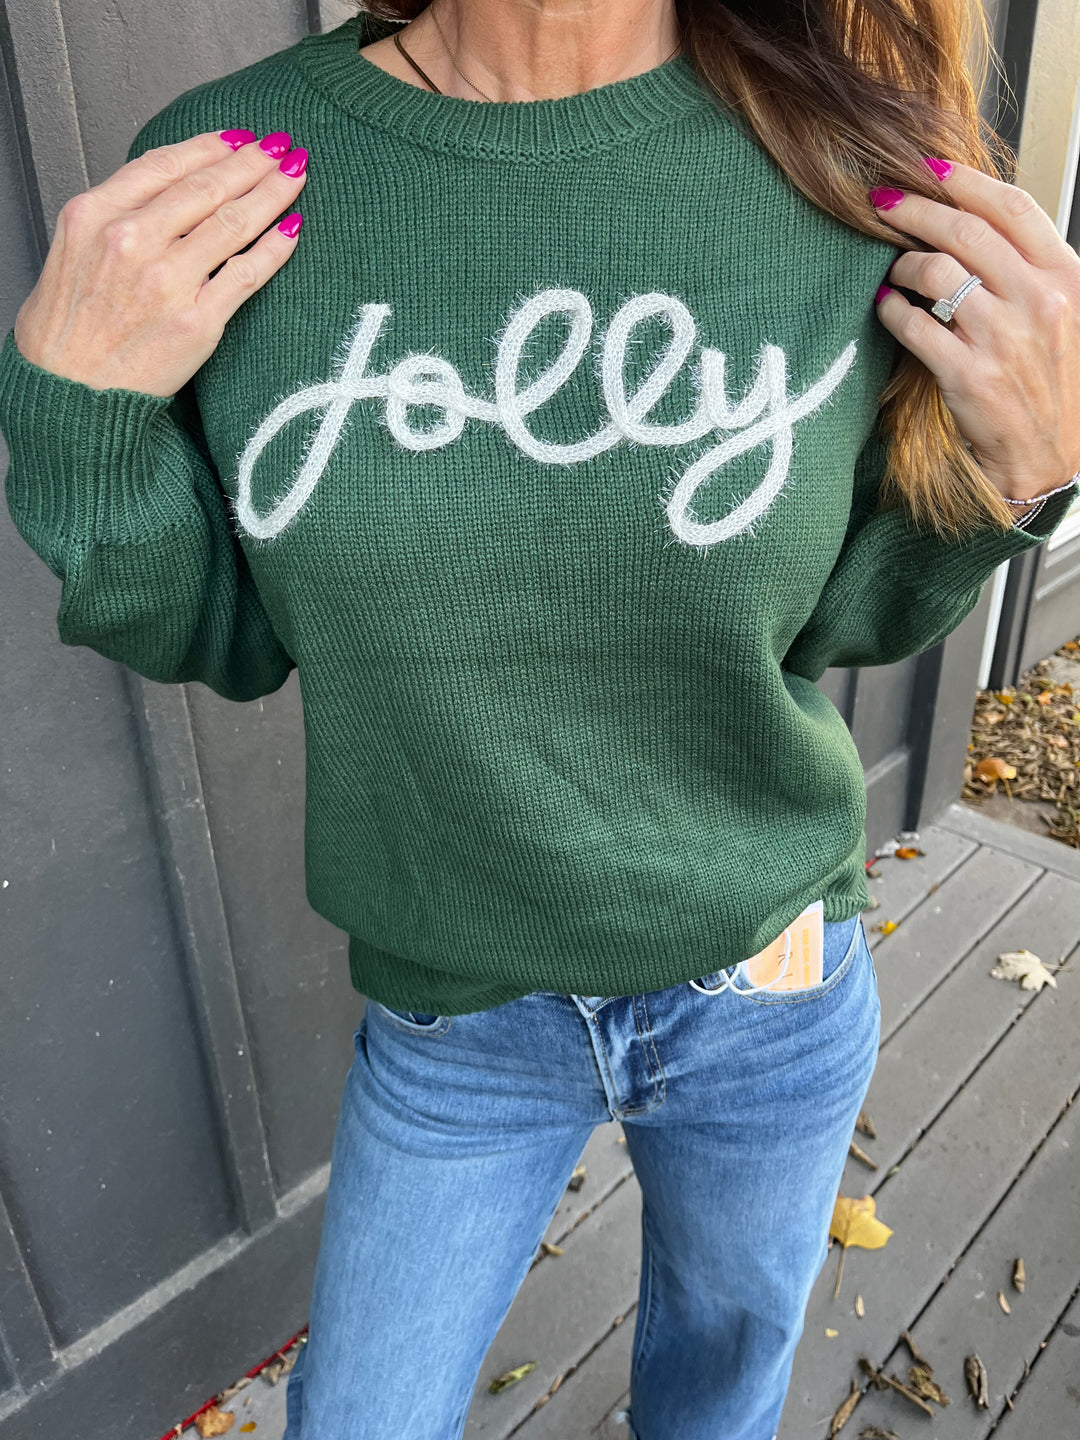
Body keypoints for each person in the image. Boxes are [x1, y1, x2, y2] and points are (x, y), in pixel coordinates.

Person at [1, 1, 1077, 1436]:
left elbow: (837, 622)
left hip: (765, 974)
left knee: (723, 1388)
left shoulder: (843, 165)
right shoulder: (230, 179)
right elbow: (232, 629)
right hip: (461, 1017)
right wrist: (75, 423)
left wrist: (1023, 478)